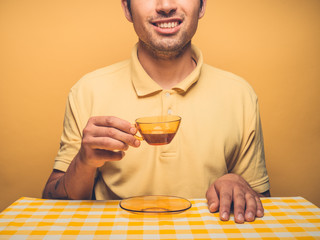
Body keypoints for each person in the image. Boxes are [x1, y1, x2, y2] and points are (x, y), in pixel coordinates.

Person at [43, 0, 270, 224]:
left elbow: (264, 206)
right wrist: (83, 162)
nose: (165, 5)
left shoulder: (240, 94)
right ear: (126, 8)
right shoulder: (87, 90)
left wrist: (238, 184)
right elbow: (52, 203)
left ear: (202, 5)